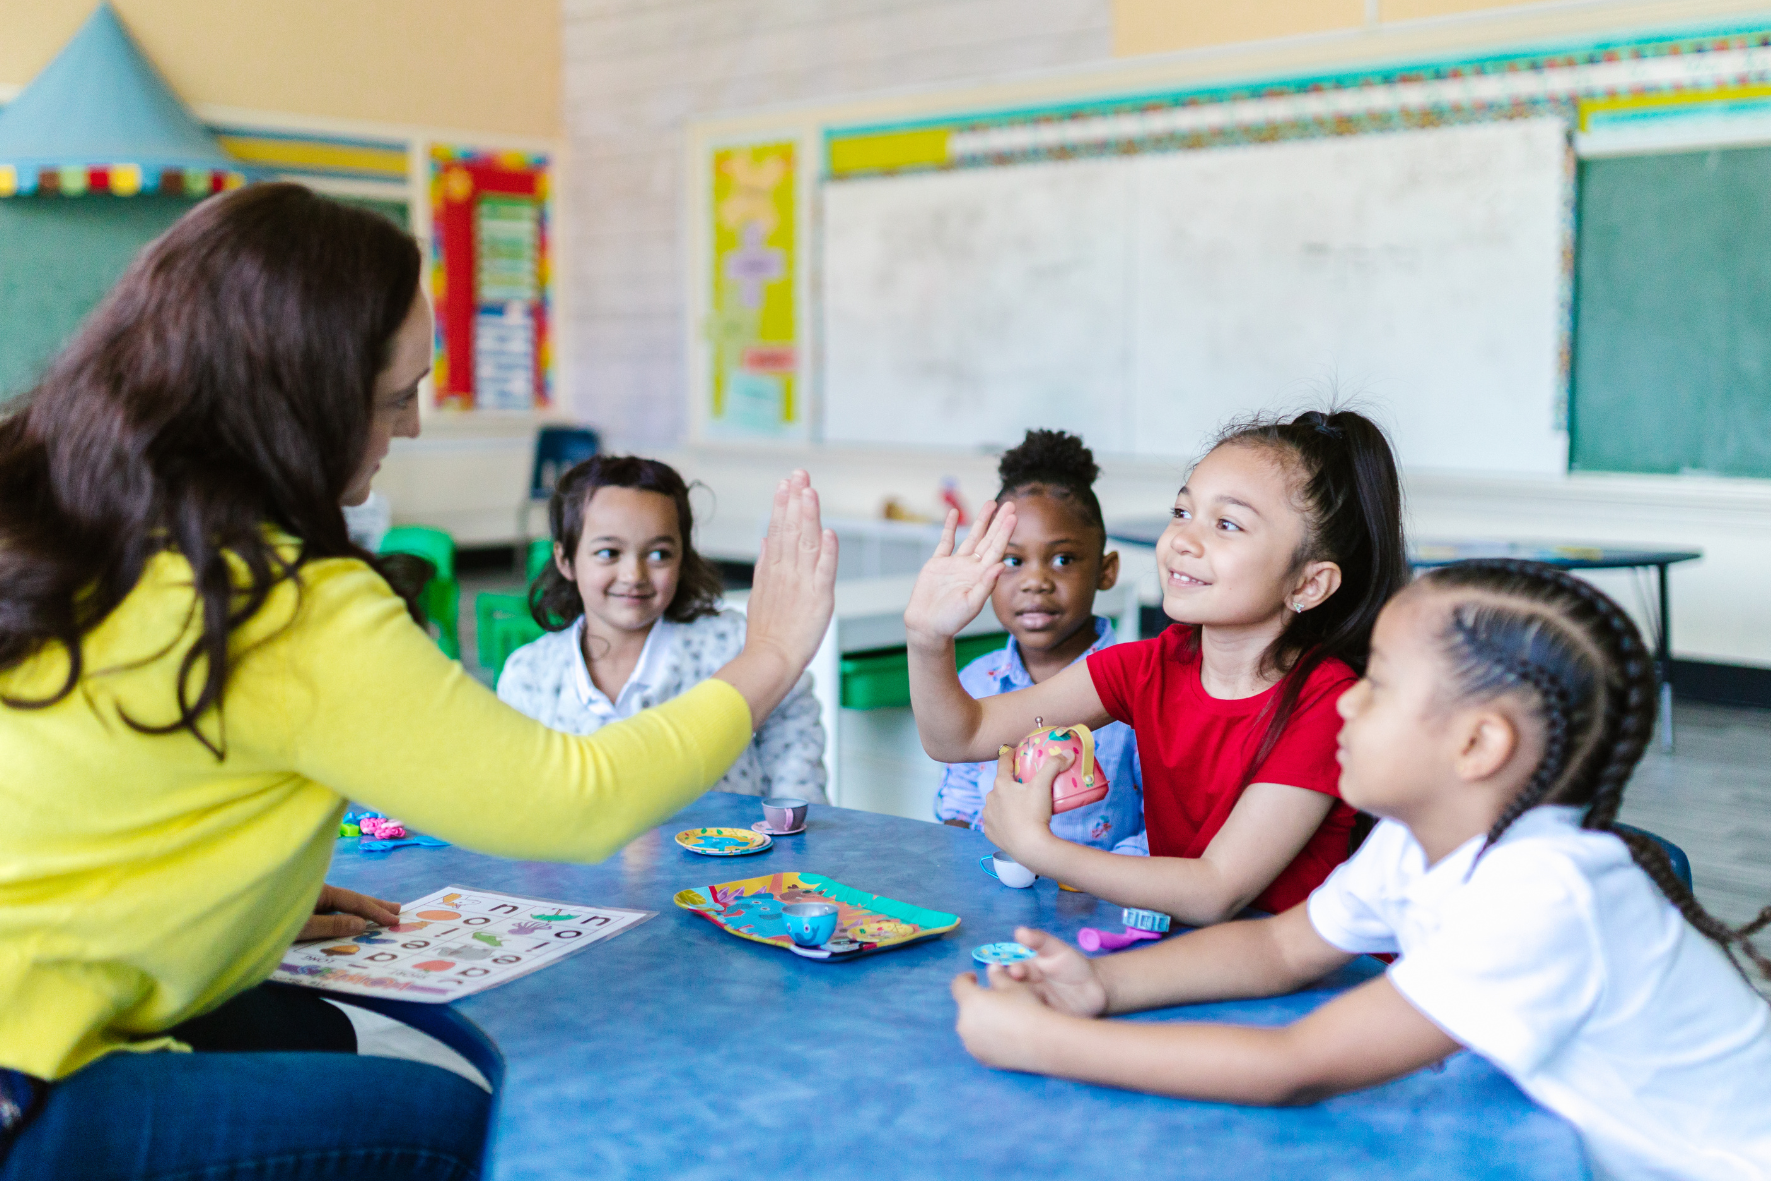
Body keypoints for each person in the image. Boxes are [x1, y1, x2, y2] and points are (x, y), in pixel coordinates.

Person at [0, 183, 837, 1180]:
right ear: (298, 402)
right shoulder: (276, 599)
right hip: (22, 1074)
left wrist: (237, 897)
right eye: (397, 397)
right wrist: (770, 651)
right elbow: (574, 800)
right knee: (443, 1119)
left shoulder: (72, 516)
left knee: (310, 1032)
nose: (414, 426)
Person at [950, 560, 1771, 1181]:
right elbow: (1280, 947)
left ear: (1477, 744)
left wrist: (1046, 1043)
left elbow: (1295, 1066)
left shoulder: (1543, 892)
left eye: (1378, 684)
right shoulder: (1417, 844)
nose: (1345, 698)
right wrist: (1100, 985)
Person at [906, 410, 1409, 924]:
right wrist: (927, 638)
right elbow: (961, 736)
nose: (1183, 540)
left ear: (1308, 584)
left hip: (1290, 969)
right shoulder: (1149, 667)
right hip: (1183, 950)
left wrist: (1039, 848)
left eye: (1227, 524)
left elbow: (1215, 889)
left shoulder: (1328, 703)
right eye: (1182, 512)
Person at [497, 454, 827, 801]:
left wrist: (791, 818)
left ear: (683, 557)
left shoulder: (734, 645)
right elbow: (518, 796)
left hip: (731, 838)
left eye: (659, 555)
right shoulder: (530, 675)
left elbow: (793, 726)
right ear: (566, 560)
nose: (633, 575)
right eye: (608, 552)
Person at [933, 429, 1142, 853]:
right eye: (1012, 560)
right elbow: (959, 802)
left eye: (1063, 559)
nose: (1035, 582)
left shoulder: (1140, 690)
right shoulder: (975, 682)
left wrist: (1095, 880)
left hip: (1101, 890)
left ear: (1106, 571)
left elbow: (1162, 831)